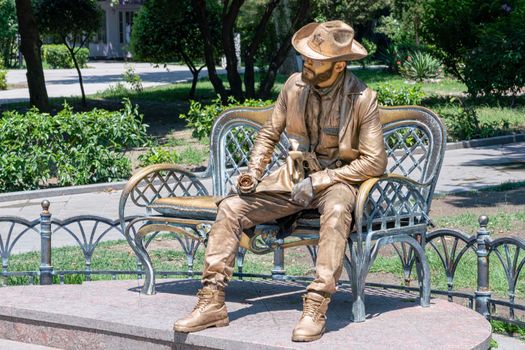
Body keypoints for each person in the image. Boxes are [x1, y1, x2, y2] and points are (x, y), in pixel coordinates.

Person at [174, 20, 387, 342]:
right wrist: (253, 173)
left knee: (339, 209)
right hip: (293, 179)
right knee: (231, 208)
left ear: (339, 65)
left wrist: (323, 180)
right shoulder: (293, 85)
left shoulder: (362, 97)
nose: (306, 64)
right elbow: (270, 133)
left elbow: (375, 161)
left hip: (338, 182)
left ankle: (316, 305)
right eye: (306, 57)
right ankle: (212, 301)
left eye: (314, 60)